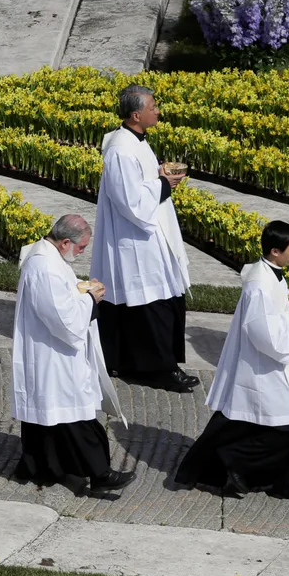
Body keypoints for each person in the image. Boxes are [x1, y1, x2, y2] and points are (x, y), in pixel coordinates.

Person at [175, 220, 289, 501]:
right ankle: (236, 464)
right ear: (275, 251)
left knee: (285, 424)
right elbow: (261, 331)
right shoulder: (259, 284)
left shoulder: (273, 273)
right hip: (265, 366)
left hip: (279, 361)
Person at [11, 214, 135, 497]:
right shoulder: (45, 267)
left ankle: (38, 467)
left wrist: (81, 290)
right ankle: (101, 474)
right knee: (75, 419)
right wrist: (90, 300)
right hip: (53, 357)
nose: (81, 253)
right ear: (66, 241)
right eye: (80, 248)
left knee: (50, 420)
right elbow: (64, 320)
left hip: (51, 354)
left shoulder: (51, 259)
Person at [89, 84, 197, 393]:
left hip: (149, 233)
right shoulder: (121, 149)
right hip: (136, 239)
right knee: (149, 302)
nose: (158, 111)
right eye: (153, 107)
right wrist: (164, 184)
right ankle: (160, 369)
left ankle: (142, 364)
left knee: (158, 298)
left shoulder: (136, 141)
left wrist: (159, 175)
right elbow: (130, 200)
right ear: (136, 114)